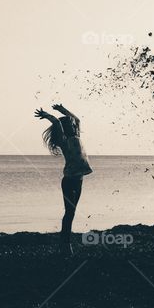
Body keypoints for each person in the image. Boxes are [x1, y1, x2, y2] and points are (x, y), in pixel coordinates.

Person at [35, 103, 92, 254]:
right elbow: (57, 122)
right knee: (69, 212)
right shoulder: (63, 140)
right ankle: (65, 244)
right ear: (67, 128)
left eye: (74, 125)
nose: (74, 126)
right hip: (69, 181)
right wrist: (47, 115)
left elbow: (76, 119)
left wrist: (62, 109)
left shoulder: (77, 136)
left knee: (72, 212)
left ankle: (65, 242)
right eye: (71, 125)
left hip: (79, 180)